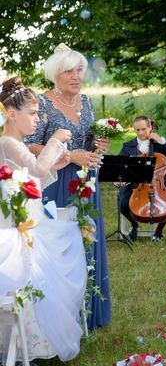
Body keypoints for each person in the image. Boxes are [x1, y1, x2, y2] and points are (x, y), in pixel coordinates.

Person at [24, 44, 111, 330]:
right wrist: (69, 155)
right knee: (60, 249)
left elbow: (86, 143)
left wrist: (97, 146)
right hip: (55, 181)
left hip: (86, 181)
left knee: (87, 239)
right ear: (55, 75)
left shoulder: (86, 102)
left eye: (80, 70)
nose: (76, 76)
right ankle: (58, 320)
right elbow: (28, 146)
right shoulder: (43, 103)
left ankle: (87, 313)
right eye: (69, 71)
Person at [0, 77, 87, 361]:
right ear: (12, 114)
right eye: (33, 113)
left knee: (35, 277)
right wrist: (54, 141)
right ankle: (25, 342)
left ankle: (31, 343)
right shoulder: (8, 142)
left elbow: (33, 179)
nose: (38, 119)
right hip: (17, 226)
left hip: (26, 217)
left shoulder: (16, 143)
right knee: (26, 277)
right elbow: (36, 169)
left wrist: (56, 162)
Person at [117, 116, 166, 242]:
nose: (141, 133)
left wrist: (162, 141)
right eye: (137, 130)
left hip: (159, 184)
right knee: (123, 204)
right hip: (136, 186)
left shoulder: (159, 145)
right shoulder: (128, 146)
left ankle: (158, 233)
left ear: (150, 127)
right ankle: (134, 226)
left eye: (144, 129)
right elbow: (120, 167)